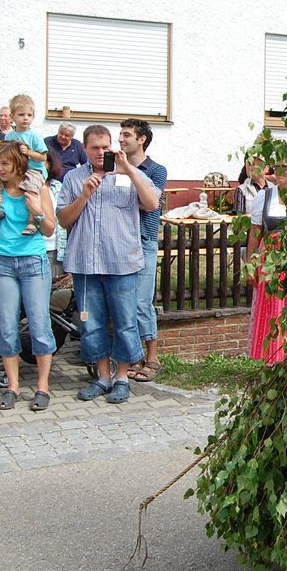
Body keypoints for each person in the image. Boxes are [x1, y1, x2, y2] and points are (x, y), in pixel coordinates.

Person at [57, 125, 160, 403]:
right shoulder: (73, 178)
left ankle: (122, 379)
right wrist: (84, 195)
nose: (101, 152)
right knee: (91, 324)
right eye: (95, 148)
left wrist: (130, 171)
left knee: (125, 323)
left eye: (105, 147)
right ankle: (102, 378)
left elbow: (152, 203)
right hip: (86, 265)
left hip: (122, 262)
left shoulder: (128, 173)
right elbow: (63, 220)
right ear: (85, 148)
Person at [0, 142, 59, 412]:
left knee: (39, 323)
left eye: (5, 163)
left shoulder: (38, 188)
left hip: (33, 261)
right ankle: (12, 386)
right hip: (2, 262)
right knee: (7, 325)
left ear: (18, 164)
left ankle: (42, 387)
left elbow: (49, 229)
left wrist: (38, 210)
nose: (0, 169)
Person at [119, 118, 169, 381]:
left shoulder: (157, 170)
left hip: (144, 239)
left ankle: (152, 357)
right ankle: (134, 356)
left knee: (141, 302)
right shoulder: (115, 168)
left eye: (127, 135)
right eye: (121, 134)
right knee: (124, 302)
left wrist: (128, 173)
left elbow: (151, 202)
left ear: (142, 140)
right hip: (120, 241)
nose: (121, 139)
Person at [248, 160, 287, 364]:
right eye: (277, 167)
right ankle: (272, 361)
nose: (280, 171)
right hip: (270, 262)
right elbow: (255, 233)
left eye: (286, 166)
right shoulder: (265, 196)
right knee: (272, 310)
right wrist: (250, 265)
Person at [0, 95, 48, 236]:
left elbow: (43, 157)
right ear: (12, 117)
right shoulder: (9, 136)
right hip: (15, 170)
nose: (25, 118)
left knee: (31, 188)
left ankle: (32, 220)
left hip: (33, 170)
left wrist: (28, 152)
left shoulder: (35, 136)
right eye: (21, 115)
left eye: (29, 115)